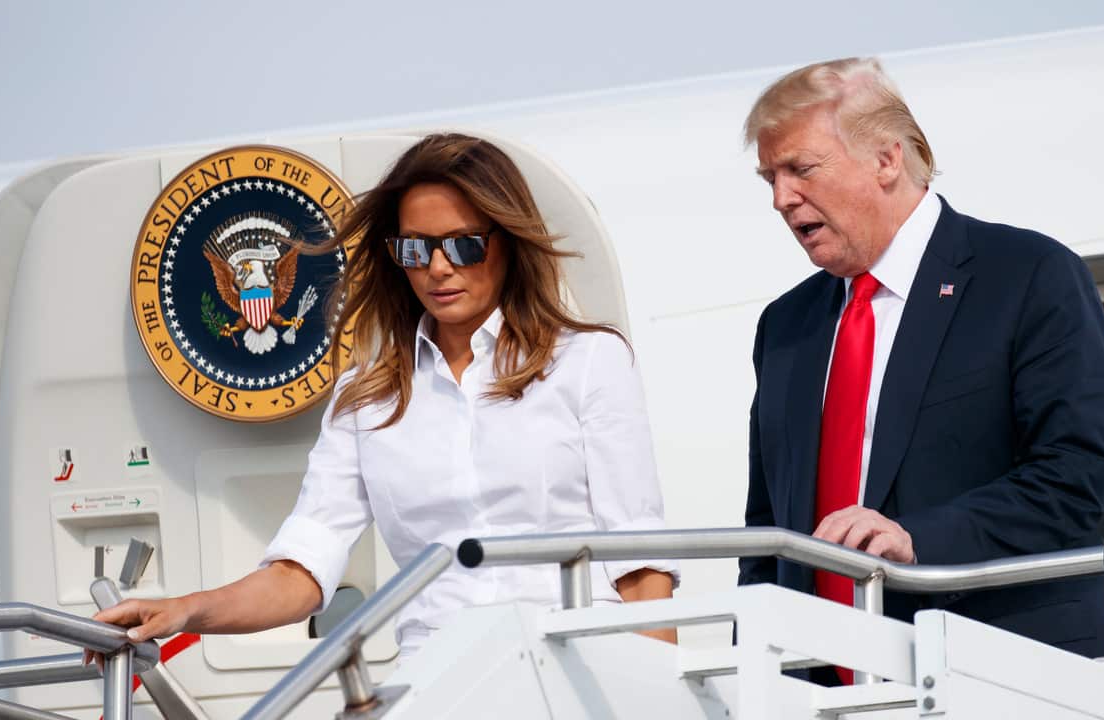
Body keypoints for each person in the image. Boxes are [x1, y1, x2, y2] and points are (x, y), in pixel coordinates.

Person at [91, 133, 678, 662]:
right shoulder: (364, 397)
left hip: (578, 667)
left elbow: (641, 563)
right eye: (417, 250)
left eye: (464, 245)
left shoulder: (587, 360)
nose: (439, 269)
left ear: (509, 242)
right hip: (443, 676)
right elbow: (303, 572)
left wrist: (657, 698)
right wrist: (187, 610)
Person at [736, 57, 1104, 673]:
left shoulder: (1027, 275)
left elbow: (1074, 478)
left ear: (886, 160)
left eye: (801, 169)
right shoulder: (786, 327)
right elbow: (766, 530)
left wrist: (919, 542)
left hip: (992, 670)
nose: (782, 198)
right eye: (769, 178)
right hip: (817, 693)